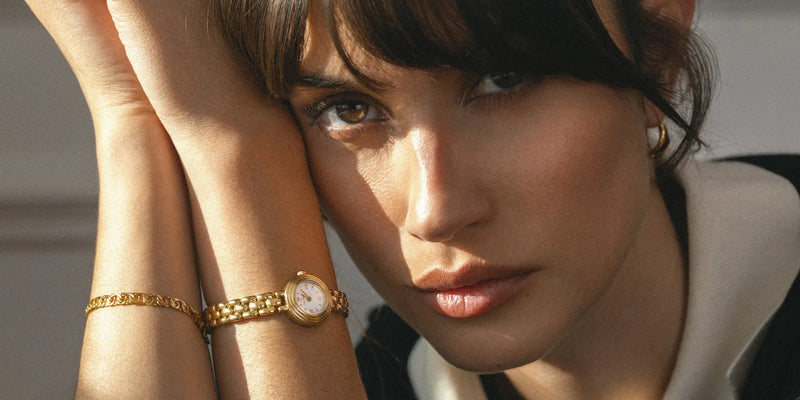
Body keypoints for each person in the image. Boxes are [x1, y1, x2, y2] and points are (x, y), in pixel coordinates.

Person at [26, 0, 799, 399]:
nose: (435, 211)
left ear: (655, 50)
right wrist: (141, 123)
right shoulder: (369, 380)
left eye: (502, 79)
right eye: (347, 109)